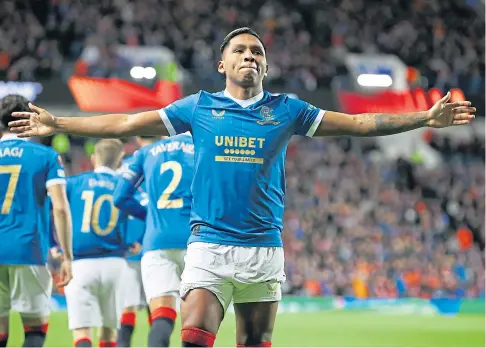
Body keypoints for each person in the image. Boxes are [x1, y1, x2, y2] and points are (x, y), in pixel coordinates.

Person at [8, 27, 476, 347]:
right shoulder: (199, 107)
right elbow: (130, 121)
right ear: (222, 64)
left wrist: (422, 117)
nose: (249, 55)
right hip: (208, 245)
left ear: (265, 67)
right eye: (240, 51)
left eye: (257, 52)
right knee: (192, 335)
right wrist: (60, 121)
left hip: (263, 249)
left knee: (253, 342)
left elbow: (357, 123)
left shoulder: (287, 109)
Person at [0, 94, 73, 347]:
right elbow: (61, 208)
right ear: (29, 119)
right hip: (27, 249)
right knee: (34, 330)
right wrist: (66, 255)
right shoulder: (45, 156)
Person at [114, 132, 194, 347]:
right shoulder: (201, 148)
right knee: (196, 322)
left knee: (162, 316)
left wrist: (149, 214)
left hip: (156, 243)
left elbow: (120, 197)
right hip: (195, 243)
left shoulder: (146, 153)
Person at [63, 139, 143, 348]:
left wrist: (56, 246)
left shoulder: (74, 183)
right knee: (109, 332)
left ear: (93, 158)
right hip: (115, 265)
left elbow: (55, 210)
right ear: (120, 162)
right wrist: (136, 242)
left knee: (82, 332)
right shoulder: (127, 187)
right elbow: (146, 213)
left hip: (80, 264)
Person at [115, 136, 153, 348]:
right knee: (158, 306)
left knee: (128, 306)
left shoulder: (127, 166)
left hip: (129, 245)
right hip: (155, 243)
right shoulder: (164, 157)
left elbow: (117, 202)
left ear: (139, 137)